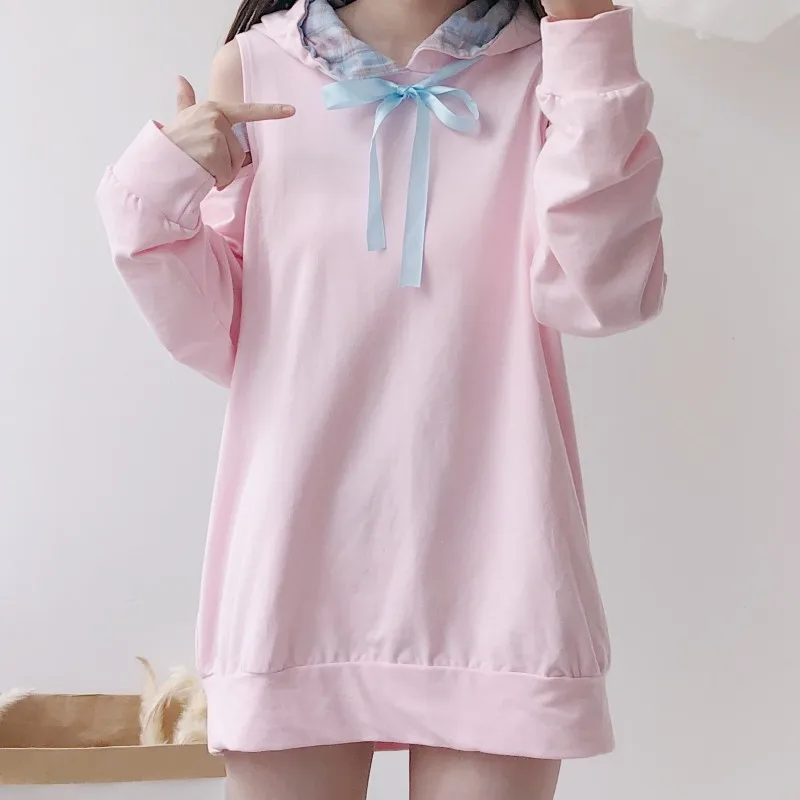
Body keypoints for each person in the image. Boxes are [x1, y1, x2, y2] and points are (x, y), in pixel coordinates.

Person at [97, 0, 665, 797]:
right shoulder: (256, 66)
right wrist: (159, 180)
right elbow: (223, 336)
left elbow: (600, 294)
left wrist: (590, 37)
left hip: (495, 571)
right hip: (299, 565)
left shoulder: (551, 70)